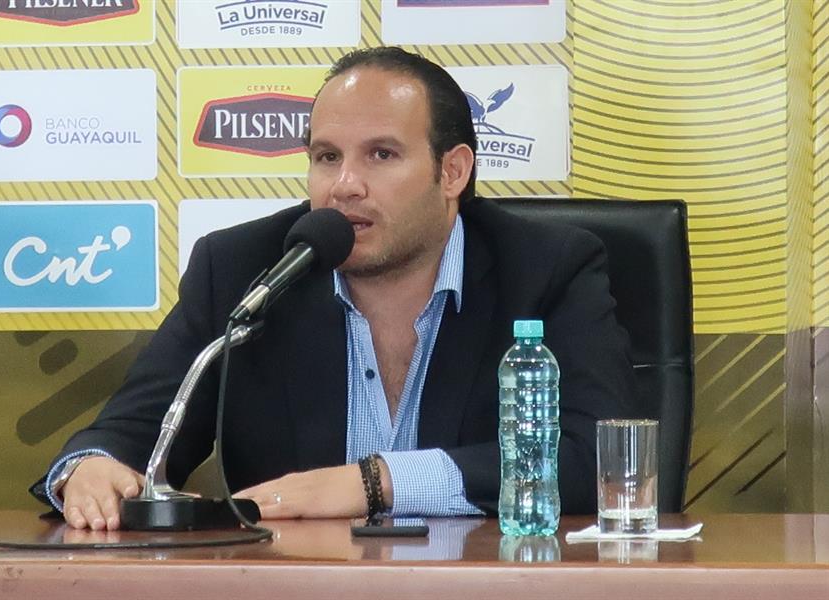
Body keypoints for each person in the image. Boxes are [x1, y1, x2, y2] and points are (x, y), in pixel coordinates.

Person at [31, 47, 637, 531]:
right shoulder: (243, 269)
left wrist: (373, 483)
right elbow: (137, 431)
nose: (345, 185)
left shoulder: (547, 269)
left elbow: (603, 460)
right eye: (326, 157)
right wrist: (91, 467)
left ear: (452, 171)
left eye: (381, 155)